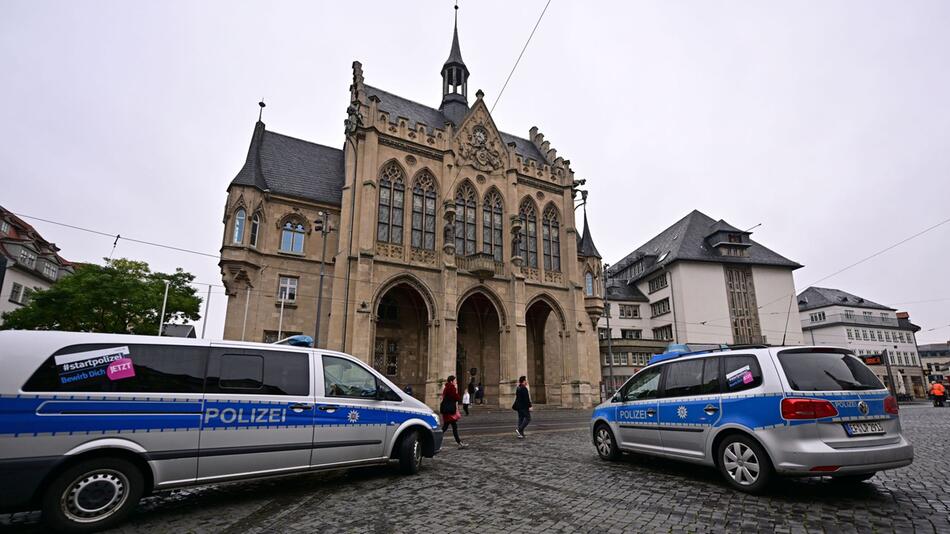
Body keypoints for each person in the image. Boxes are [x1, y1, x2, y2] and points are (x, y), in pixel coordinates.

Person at [440, 375, 468, 448]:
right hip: (449, 411)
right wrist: (456, 393)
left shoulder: (446, 387)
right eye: (455, 381)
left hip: (447, 410)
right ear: (451, 381)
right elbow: (456, 397)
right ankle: (435, 441)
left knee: (449, 427)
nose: (456, 382)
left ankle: (459, 443)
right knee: (446, 428)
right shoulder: (451, 387)